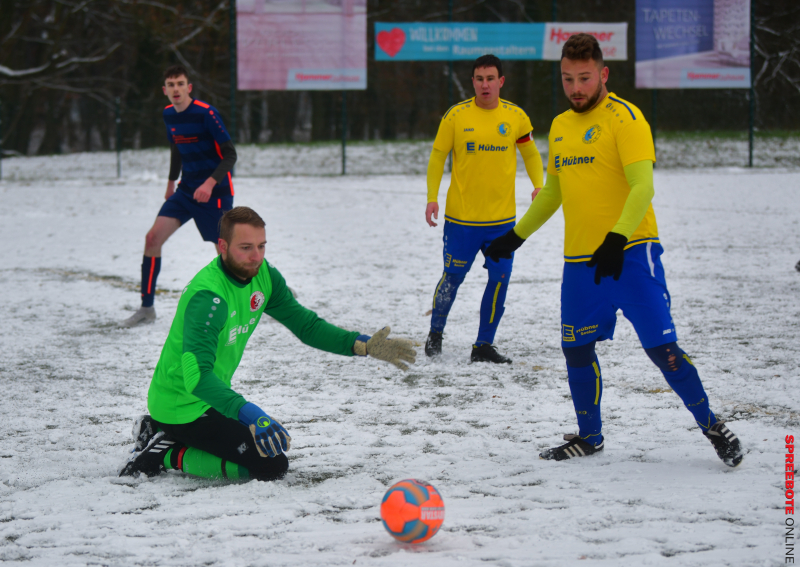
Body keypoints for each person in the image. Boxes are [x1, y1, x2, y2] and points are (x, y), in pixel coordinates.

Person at [485, 34, 744, 467]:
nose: (576, 88)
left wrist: (618, 237)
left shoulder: (626, 118)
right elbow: (553, 193)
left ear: (603, 74)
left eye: (584, 78)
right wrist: (515, 236)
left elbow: (643, 186)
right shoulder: (562, 126)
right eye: (568, 79)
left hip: (631, 254)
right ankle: (590, 436)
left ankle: (712, 425)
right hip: (579, 263)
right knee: (576, 351)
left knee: (663, 351)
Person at [119, 207, 416, 480]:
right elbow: (197, 378)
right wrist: (251, 413)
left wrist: (360, 345)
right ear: (222, 247)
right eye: (246, 248)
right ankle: (165, 454)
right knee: (270, 466)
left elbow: (306, 325)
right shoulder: (208, 298)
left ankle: (159, 432)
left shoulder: (263, 275)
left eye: (261, 246)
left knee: (267, 455)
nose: (256, 256)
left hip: (212, 399)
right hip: (180, 403)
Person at [424, 54, 543, 364]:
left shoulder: (516, 116)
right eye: (479, 79)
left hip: (502, 223)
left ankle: (483, 346)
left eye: (491, 78)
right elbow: (438, 157)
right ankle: (435, 332)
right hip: (461, 220)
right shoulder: (456, 116)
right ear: (472, 82)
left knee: (499, 279)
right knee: (452, 278)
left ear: (501, 81)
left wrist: (539, 184)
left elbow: (530, 154)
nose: (485, 84)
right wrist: (431, 196)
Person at [121, 64, 238, 327]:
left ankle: (275, 293)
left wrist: (209, 184)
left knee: (230, 251)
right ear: (165, 90)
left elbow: (231, 154)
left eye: (180, 84)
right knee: (152, 238)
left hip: (215, 192)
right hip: (186, 191)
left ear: (189, 88)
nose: (176, 89)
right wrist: (171, 182)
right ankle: (146, 309)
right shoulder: (168, 115)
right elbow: (176, 149)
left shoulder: (207, 113)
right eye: (171, 85)